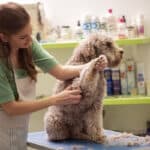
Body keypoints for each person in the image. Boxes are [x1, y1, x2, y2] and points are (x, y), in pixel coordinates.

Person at [0, 2, 108, 150]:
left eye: (31, 33)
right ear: (4, 37)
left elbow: (61, 72)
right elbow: (11, 108)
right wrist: (56, 99)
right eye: (23, 37)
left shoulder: (28, 44)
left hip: (18, 127)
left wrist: (91, 66)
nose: (30, 40)